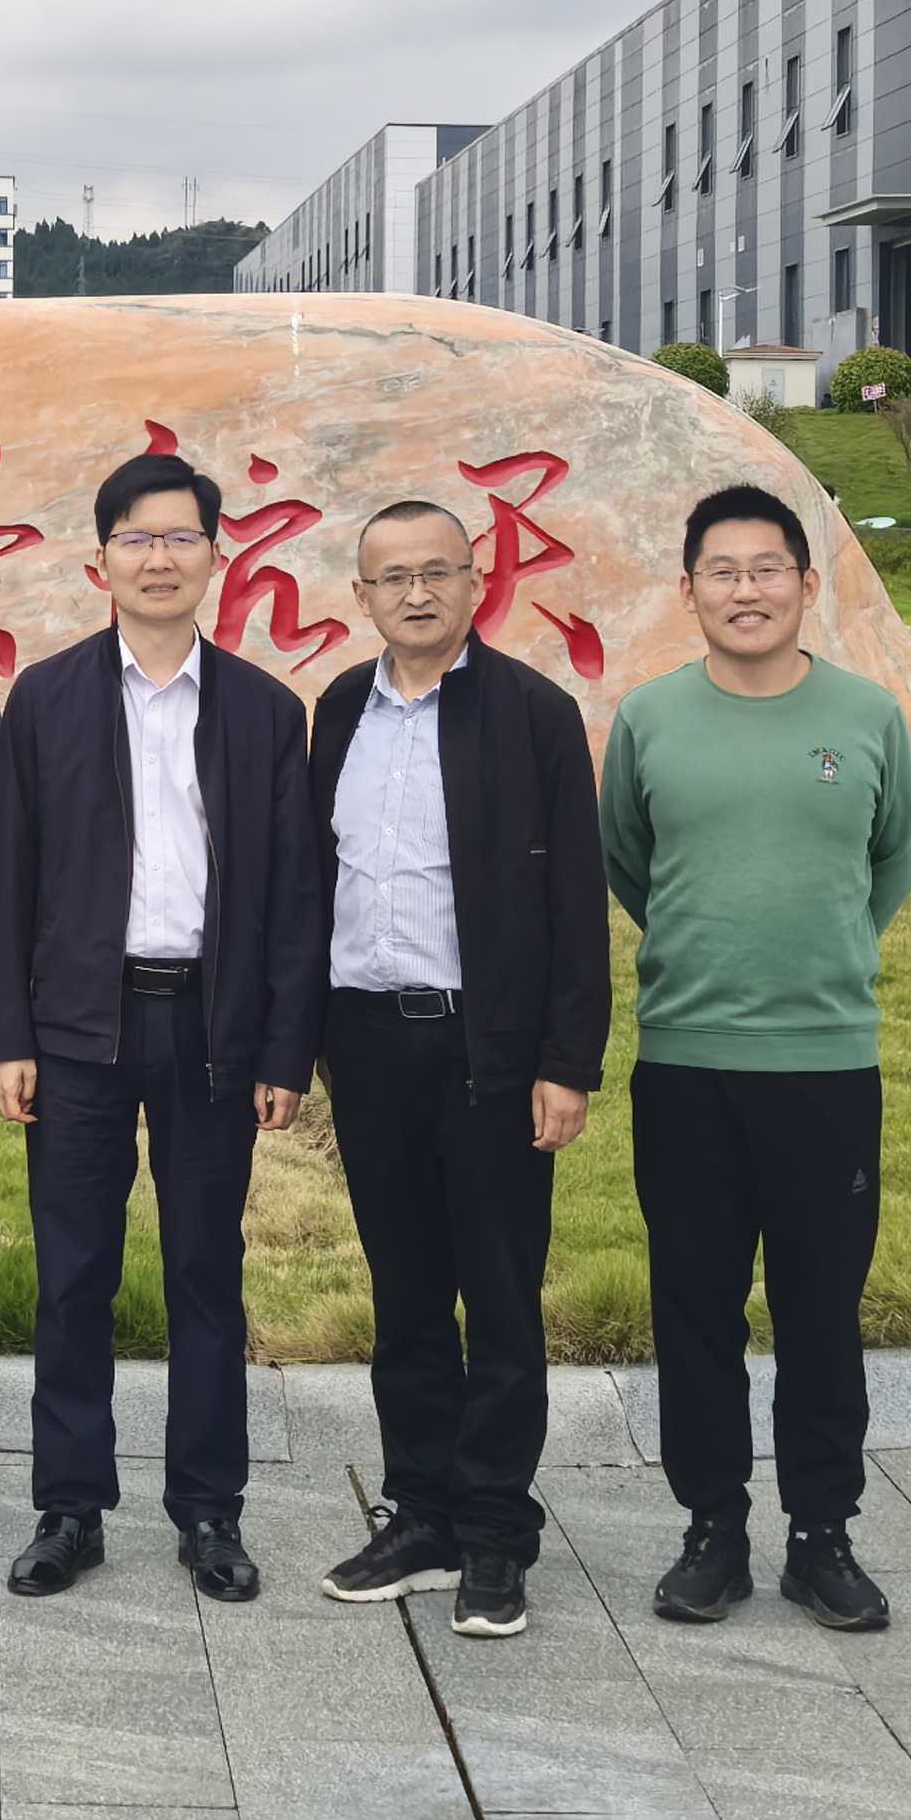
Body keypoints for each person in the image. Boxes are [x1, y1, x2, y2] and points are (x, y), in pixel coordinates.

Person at [0, 449, 320, 1603]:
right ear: (102, 562)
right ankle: (69, 1508)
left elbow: (292, 897)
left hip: (212, 1032)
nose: (159, 558)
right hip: (80, 1028)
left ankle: (210, 1511)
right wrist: (8, 1034)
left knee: (204, 1273)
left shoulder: (265, 712)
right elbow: (8, 879)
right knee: (73, 1274)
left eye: (180, 538)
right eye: (137, 539)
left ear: (215, 557)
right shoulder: (47, 699)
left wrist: (283, 1049)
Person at [600, 483, 911, 1634]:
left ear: (805, 584)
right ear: (688, 590)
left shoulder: (866, 717)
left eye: (767, 568)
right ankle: (713, 1531)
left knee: (821, 1310)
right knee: (694, 1307)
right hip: (687, 1062)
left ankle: (821, 1535)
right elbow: (628, 861)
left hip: (825, 1064)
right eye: (723, 572)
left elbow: (892, 861)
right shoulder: (648, 718)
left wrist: (819, 961)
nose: (747, 590)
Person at [304, 500, 607, 1640]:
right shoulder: (341, 707)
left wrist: (565, 1062)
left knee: (501, 1298)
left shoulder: (531, 712)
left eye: (437, 572)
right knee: (406, 1295)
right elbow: (315, 876)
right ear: (363, 595)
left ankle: (494, 1533)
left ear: (477, 583)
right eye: (393, 578)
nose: (416, 593)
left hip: (491, 1050)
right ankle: (421, 1513)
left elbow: (574, 900)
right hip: (369, 1041)